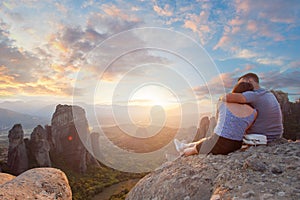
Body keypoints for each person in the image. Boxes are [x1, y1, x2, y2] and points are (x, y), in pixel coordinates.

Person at [175, 82, 257, 156]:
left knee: (193, 150)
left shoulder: (223, 104)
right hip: (236, 145)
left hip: (219, 143)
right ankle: (184, 145)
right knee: (207, 140)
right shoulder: (254, 112)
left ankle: (183, 151)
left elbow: (219, 121)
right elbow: (246, 128)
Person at [221, 72, 283, 142]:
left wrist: (221, 97)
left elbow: (227, 97)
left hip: (261, 137)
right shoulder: (268, 94)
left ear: (249, 81)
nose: (240, 85)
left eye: (241, 83)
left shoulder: (254, 94)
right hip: (275, 135)